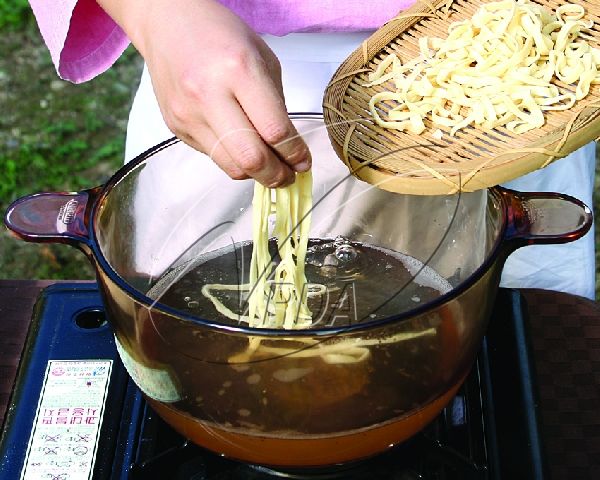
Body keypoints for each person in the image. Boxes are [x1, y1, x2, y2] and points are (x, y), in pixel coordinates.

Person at [28, 0, 597, 299]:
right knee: (191, 303)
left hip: (514, 75)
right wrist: (155, 11)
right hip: (219, 64)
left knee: (515, 324)